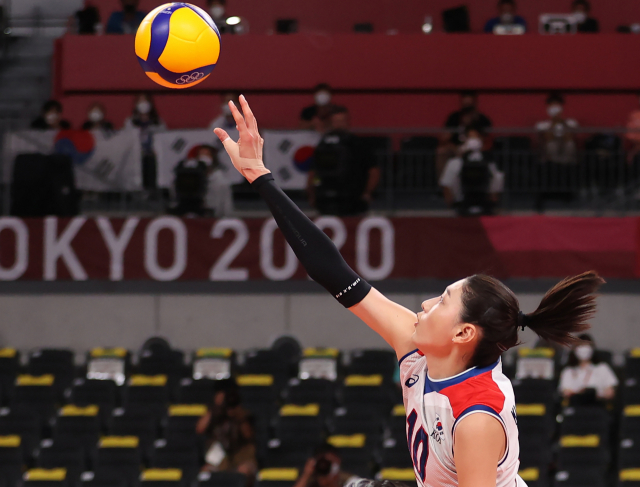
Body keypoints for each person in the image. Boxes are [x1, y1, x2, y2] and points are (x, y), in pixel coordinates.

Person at [214, 95, 606, 487]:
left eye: (444, 300)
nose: (425, 303)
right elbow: (332, 273)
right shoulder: (420, 350)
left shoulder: (477, 416)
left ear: (463, 333)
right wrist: (260, 177)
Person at [307, 106, 380, 216]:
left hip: (353, 202)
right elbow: (315, 173)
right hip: (325, 203)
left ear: (348, 122)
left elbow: (374, 171)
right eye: (336, 121)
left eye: (342, 121)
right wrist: (312, 194)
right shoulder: (322, 146)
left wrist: (367, 193)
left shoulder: (359, 145)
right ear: (331, 123)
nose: (339, 125)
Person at [439, 125, 504, 215]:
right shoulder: (455, 162)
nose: (473, 140)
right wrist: (451, 206)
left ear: (481, 139)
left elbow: (497, 179)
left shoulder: (488, 161)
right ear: (465, 139)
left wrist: (493, 200)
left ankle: (491, 204)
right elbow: (446, 184)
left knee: (499, 176)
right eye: (470, 137)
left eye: (476, 137)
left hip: (484, 198)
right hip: (461, 200)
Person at [197, 387, 257, 477]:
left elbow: (248, 435)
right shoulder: (215, 414)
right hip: (220, 455)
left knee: (244, 470)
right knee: (205, 472)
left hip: (241, 455)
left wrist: (239, 417)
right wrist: (215, 408)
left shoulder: (244, 416)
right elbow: (200, 429)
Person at [437, 92, 492, 176]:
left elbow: (485, 140)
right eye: (465, 106)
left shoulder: (481, 119)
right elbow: (445, 137)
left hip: (473, 149)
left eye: (469, 106)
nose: (467, 110)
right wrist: (454, 147)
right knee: (442, 151)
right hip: (455, 147)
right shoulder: (454, 117)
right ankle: (443, 184)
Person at [559, 334, 617, 402]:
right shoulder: (568, 371)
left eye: (586, 346)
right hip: (576, 406)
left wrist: (595, 395)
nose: (583, 349)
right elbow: (565, 392)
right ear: (575, 349)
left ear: (592, 348)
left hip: (597, 405)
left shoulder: (602, 368)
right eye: (580, 346)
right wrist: (581, 394)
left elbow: (610, 392)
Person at [124, 93, 166, 189]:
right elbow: (126, 140)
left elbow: (164, 140)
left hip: (152, 158)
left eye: (145, 101)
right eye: (140, 101)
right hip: (135, 157)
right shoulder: (130, 122)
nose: (143, 103)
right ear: (136, 104)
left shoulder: (158, 122)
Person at [535, 93, 579, 165]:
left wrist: (561, 121)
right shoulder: (542, 124)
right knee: (551, 145)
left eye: (557, 105)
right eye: (552, 105)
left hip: (567, 158)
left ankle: (566, 163)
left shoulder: (571, 122)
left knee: (570, 144)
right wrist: (553, 122)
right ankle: (554, 163)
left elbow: (569, 137)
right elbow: (548, 138)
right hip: (550, 159)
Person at [210, 93, 240, 177]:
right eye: (227, 101)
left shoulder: (248, 124)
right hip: (221, 167)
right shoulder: (215, 124)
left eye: (233, 101)